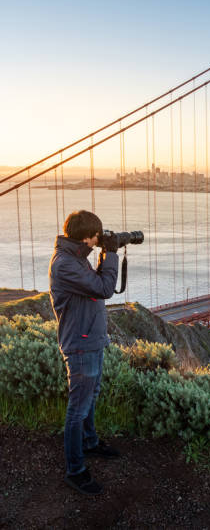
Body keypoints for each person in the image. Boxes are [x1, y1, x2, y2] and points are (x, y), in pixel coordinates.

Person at [49, 210, 120, 495]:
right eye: (95, 238)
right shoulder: (66, 264)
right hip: (80, 344)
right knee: (77, 410)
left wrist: (105, 253)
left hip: (91, 339)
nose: (97, 243)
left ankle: (90, 443)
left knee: (92, 396)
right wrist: (111, 254)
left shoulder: (76, 258)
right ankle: (75, 470)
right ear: (85, 238)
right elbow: (105, 288)